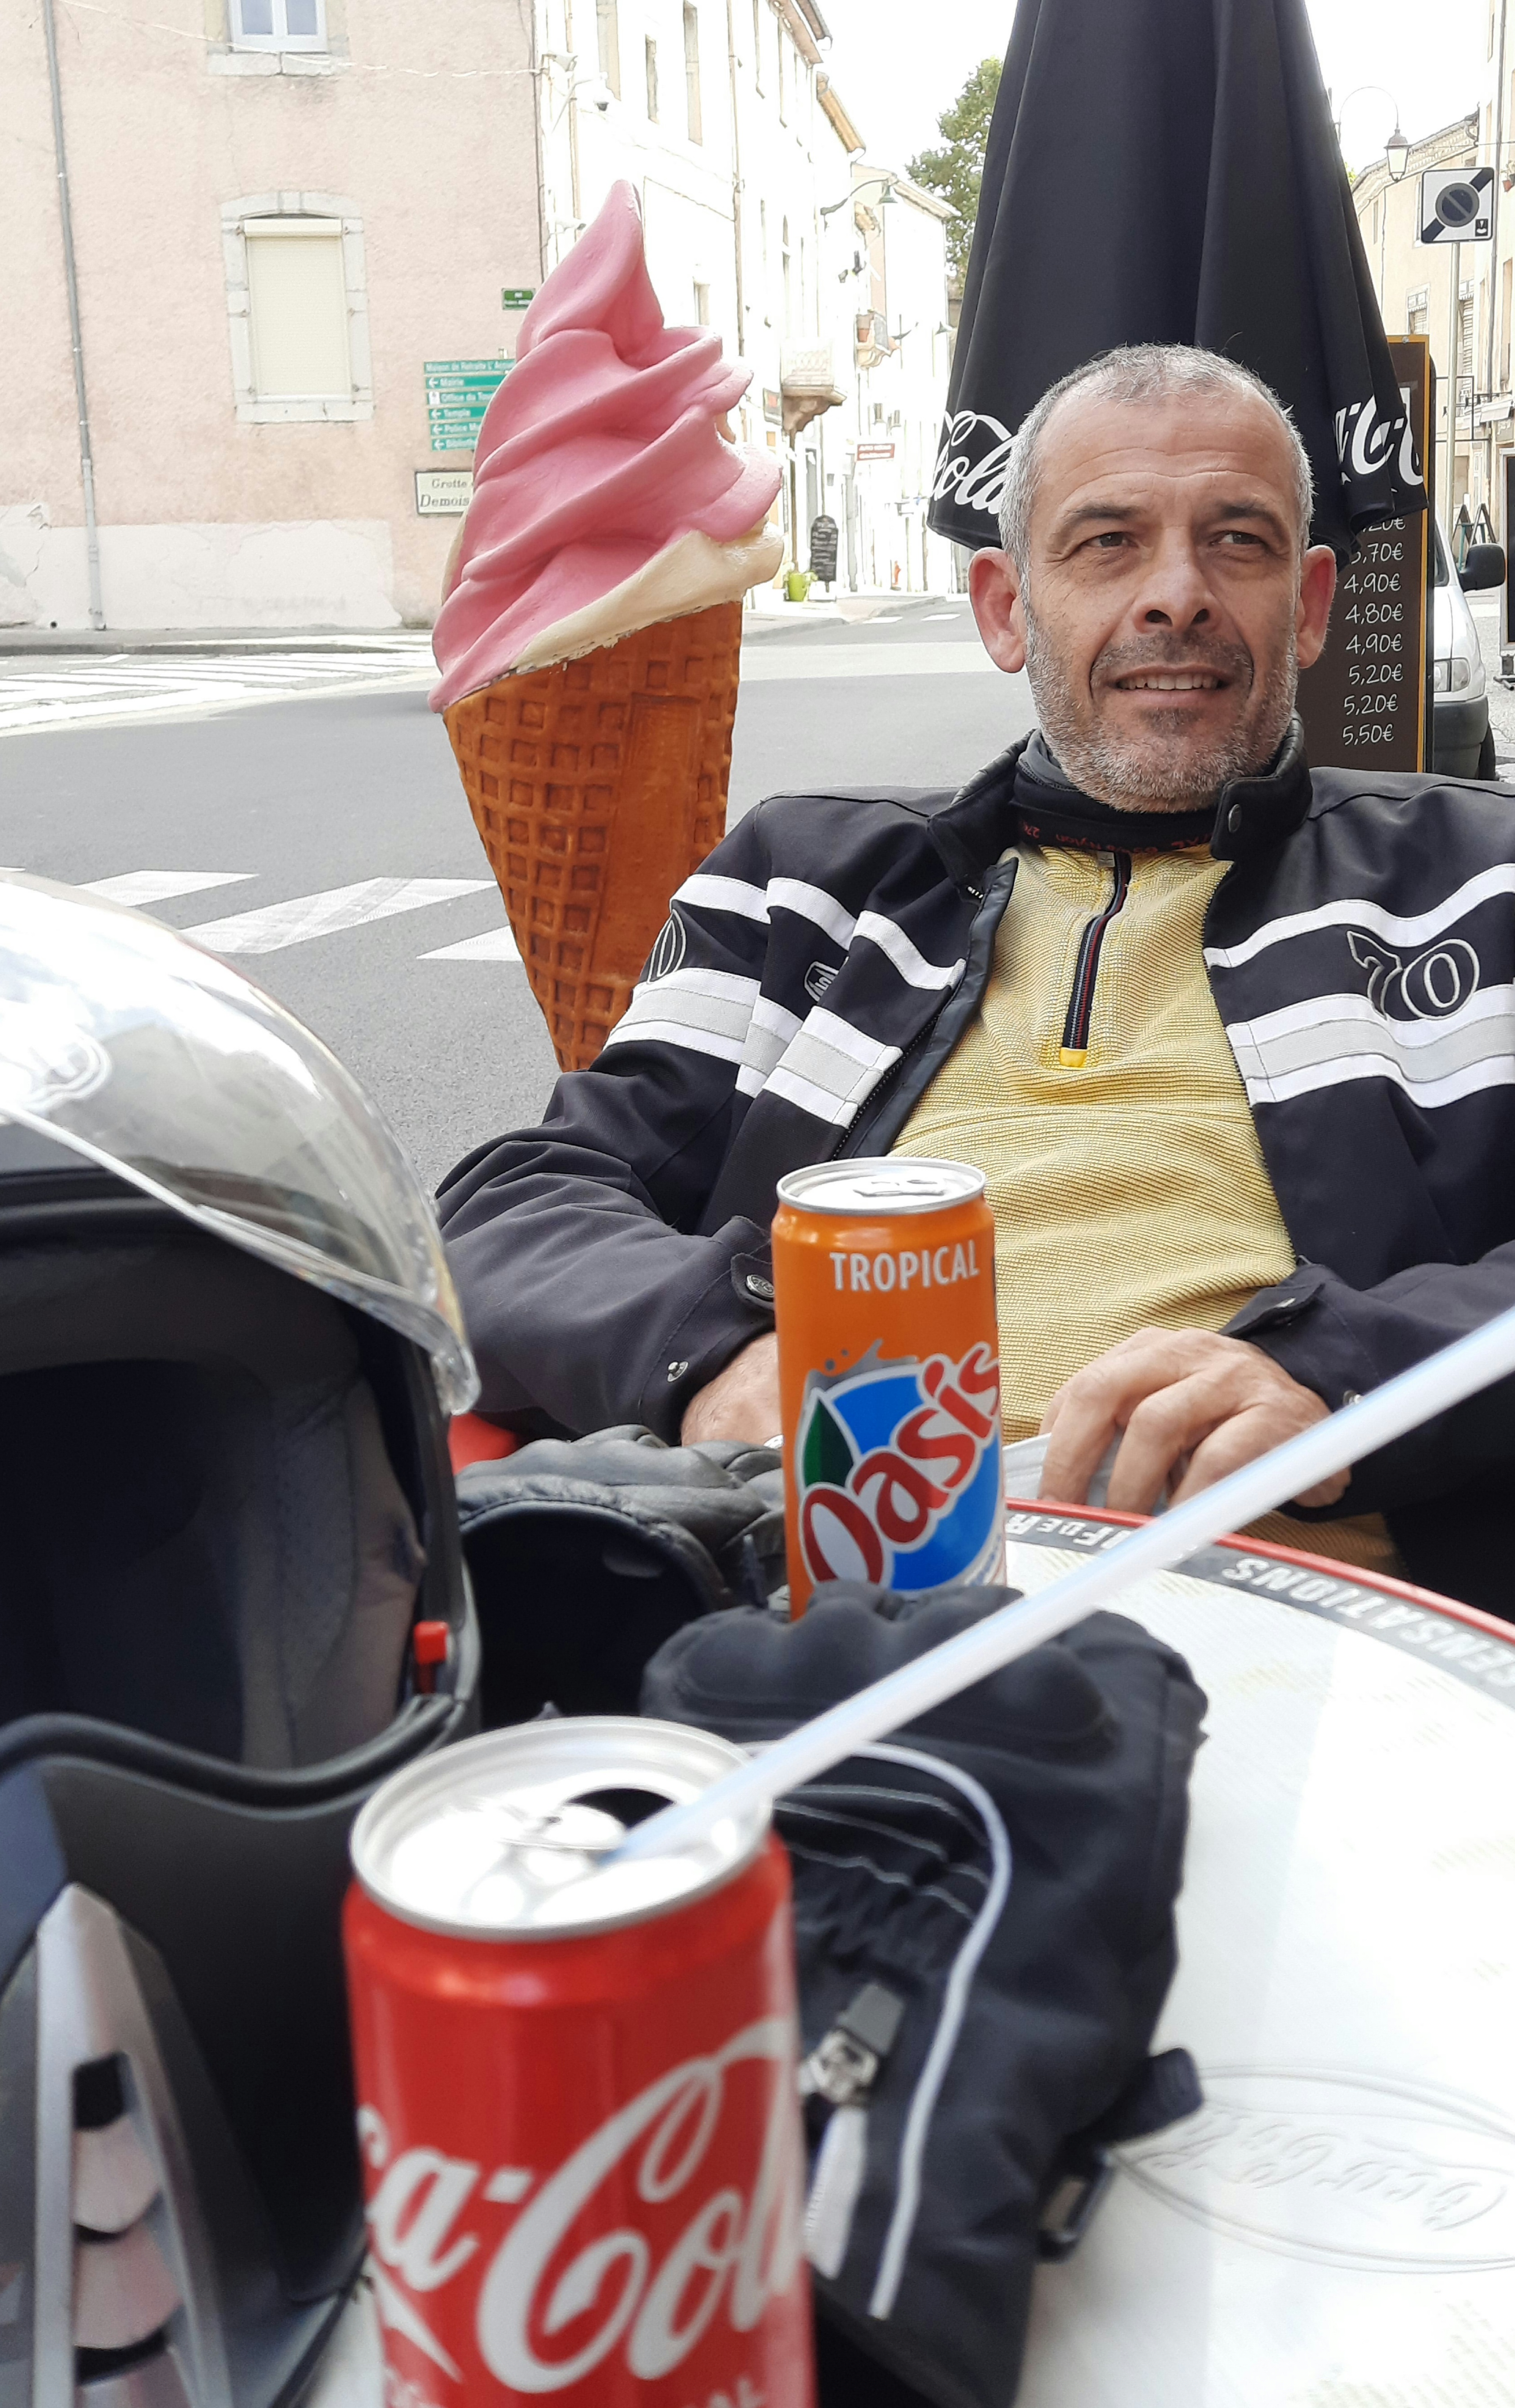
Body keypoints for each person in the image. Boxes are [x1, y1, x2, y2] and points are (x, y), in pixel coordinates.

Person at [437, 344, 1515, 1615]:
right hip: (818, 1598)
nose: (1177, 595)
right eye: (1107, 544)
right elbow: (515, 1204)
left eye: (1239, 541)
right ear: (1006, 608)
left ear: (1314, 603)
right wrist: (718, 1358)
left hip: (1306, 1608)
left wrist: (1343, 1379)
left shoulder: (1478, 880)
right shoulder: (802, 883)